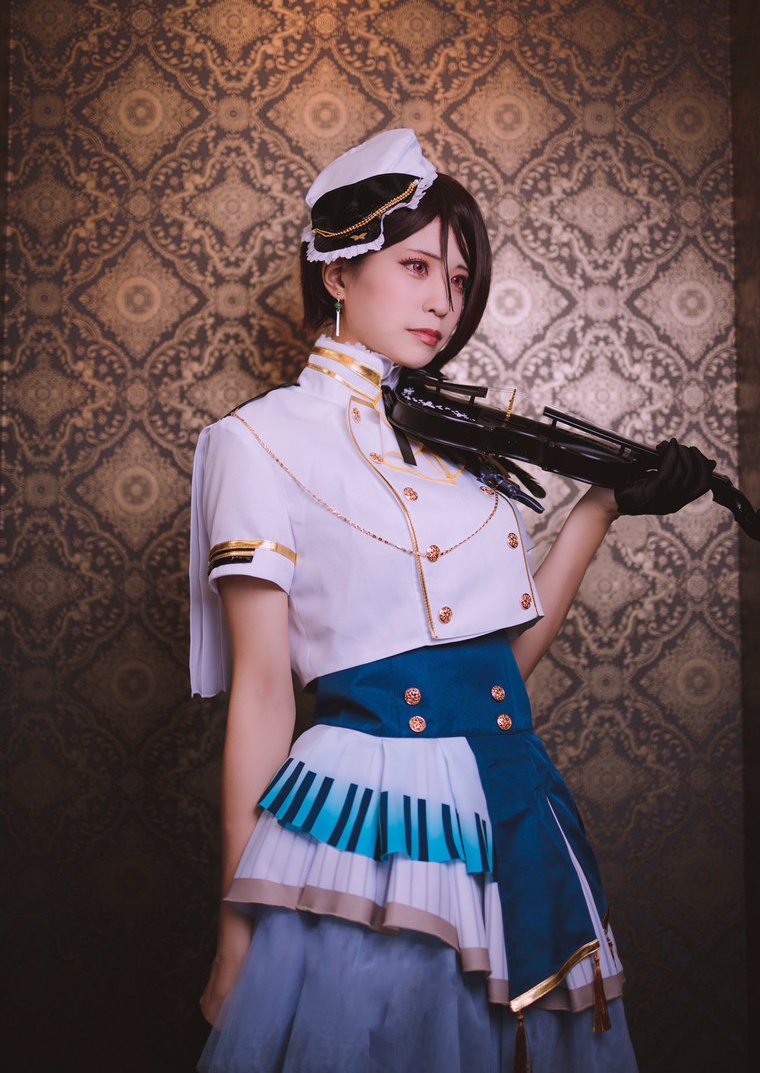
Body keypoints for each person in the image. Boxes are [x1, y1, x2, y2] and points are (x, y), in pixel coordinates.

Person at [189, 129, 714, 1073]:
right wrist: (235, 931)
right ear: (337, 272)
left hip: (513, 798)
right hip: (372, 824)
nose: (443, 300)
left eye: (460, 279)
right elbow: (263, 695)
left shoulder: (465, 455)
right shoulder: (258, 440)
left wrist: (599, 507)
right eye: (417, 265)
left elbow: (498, 672)